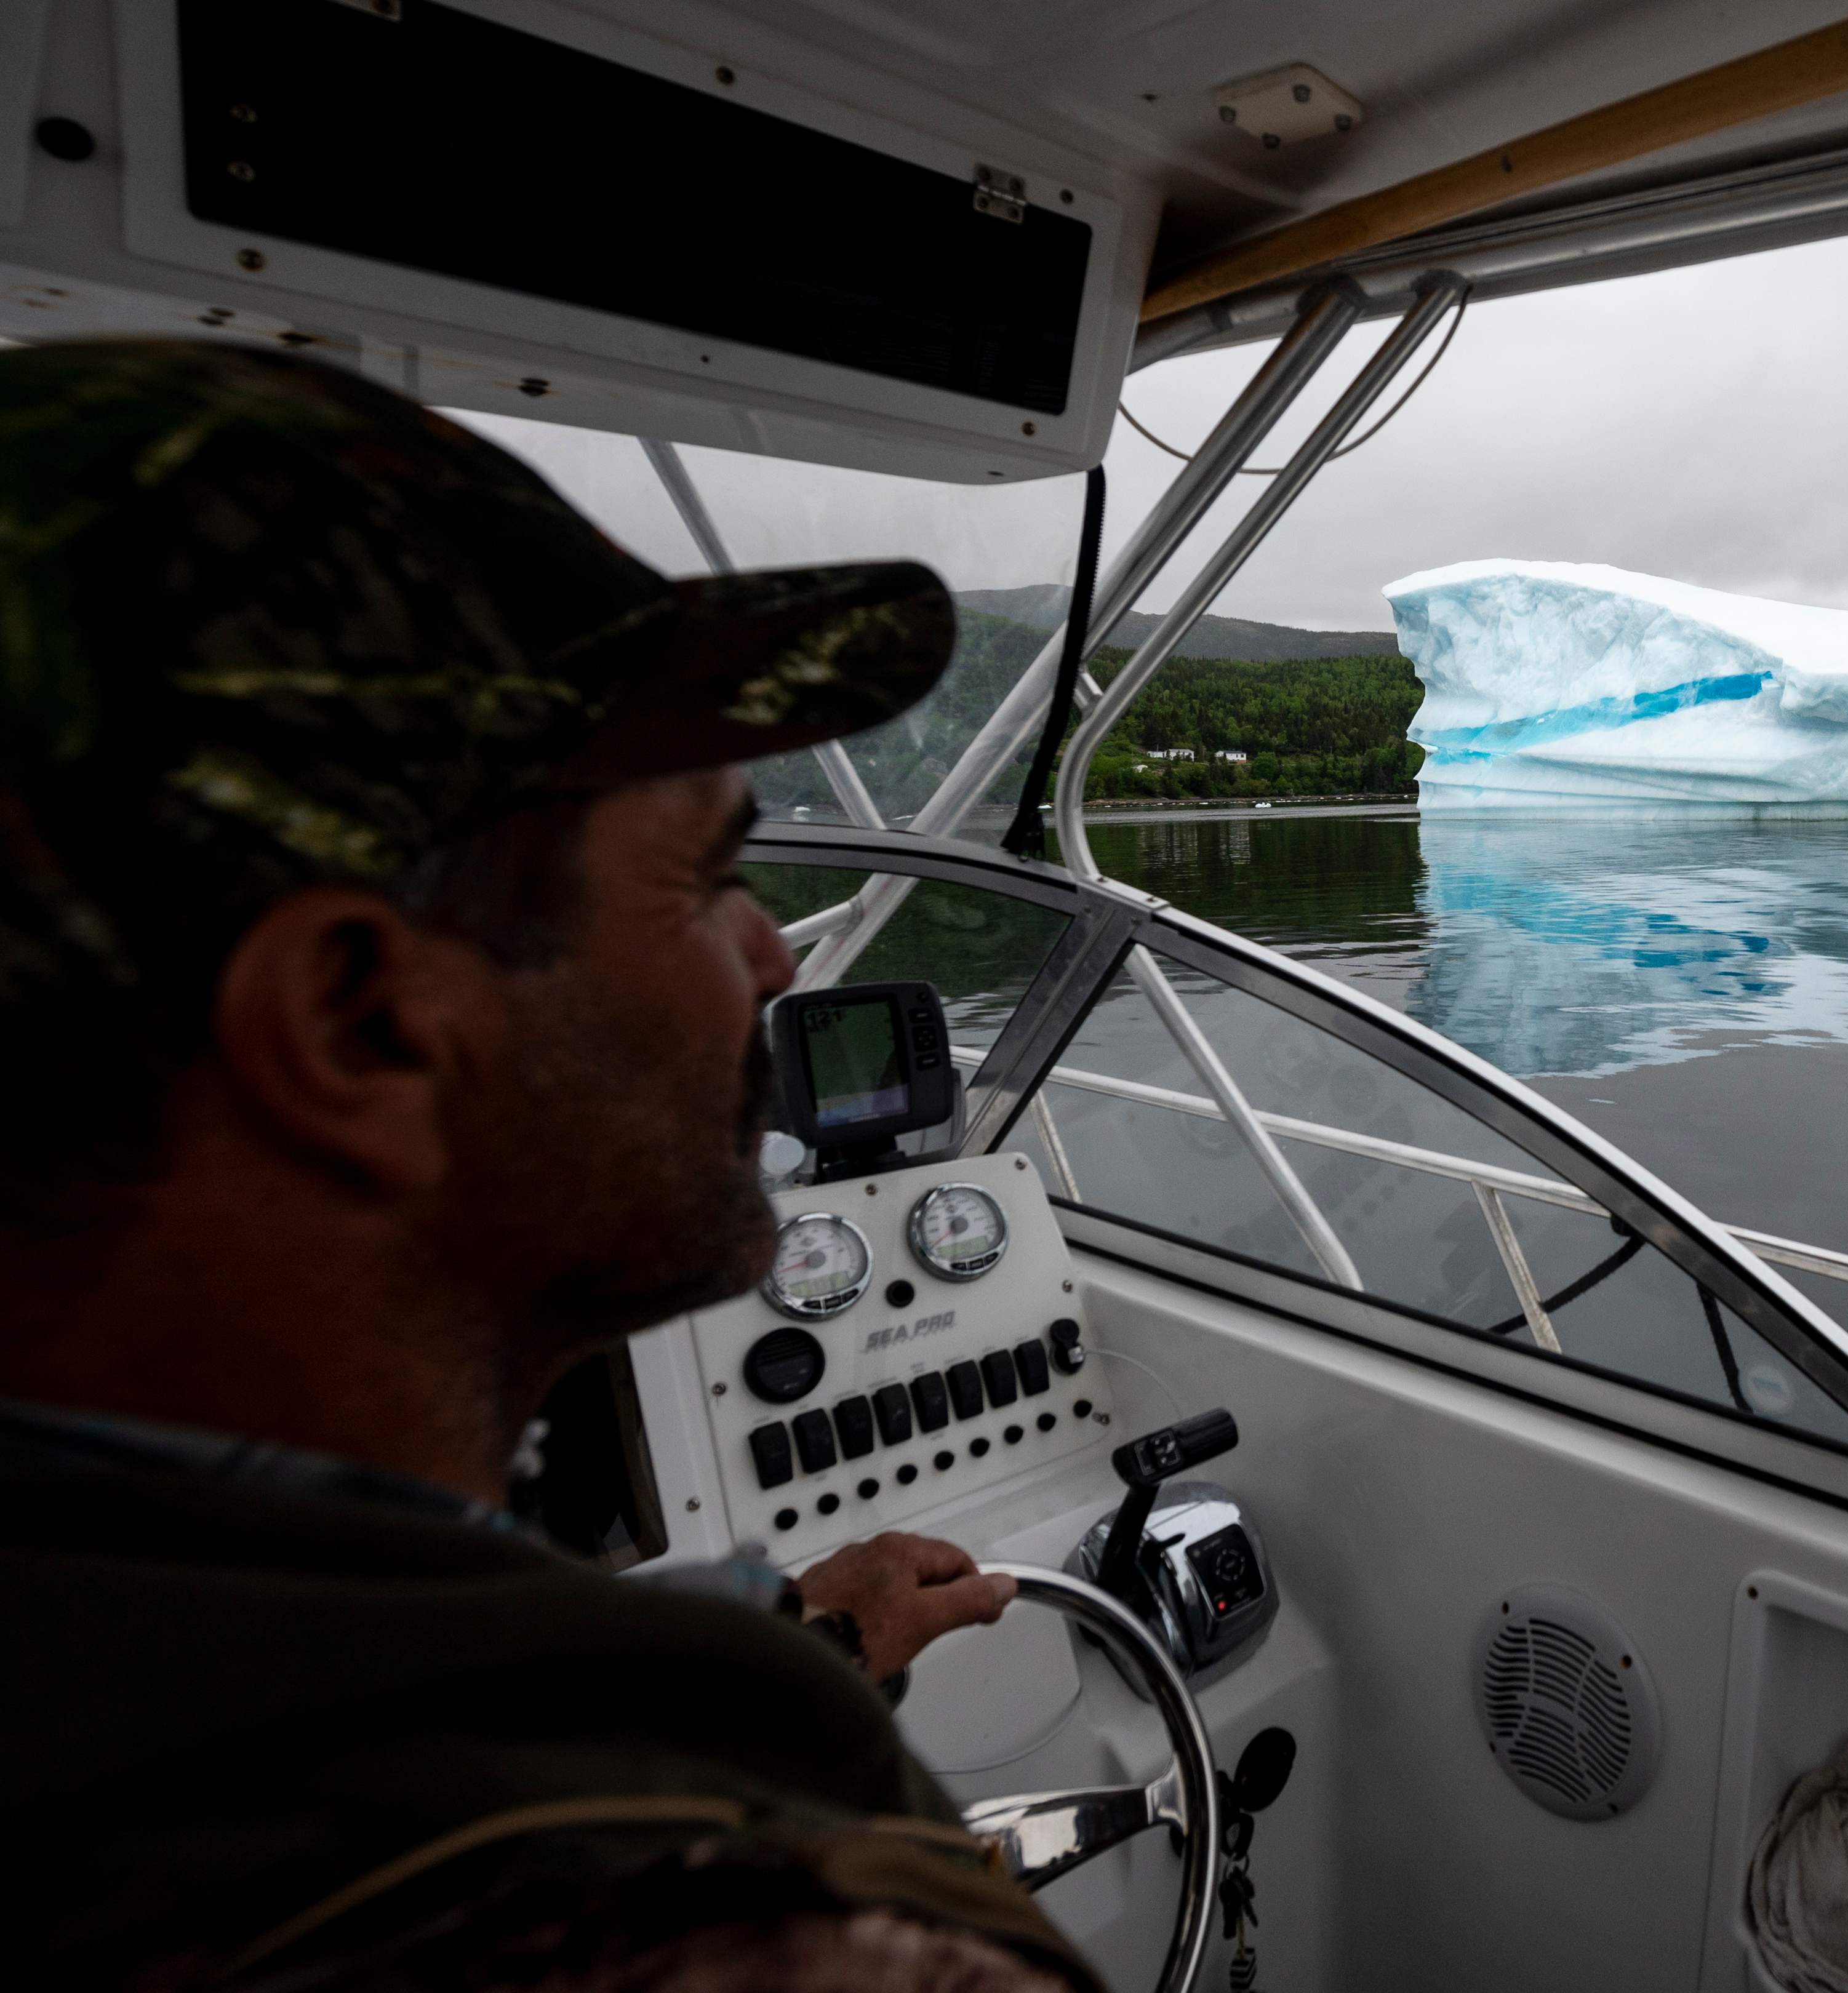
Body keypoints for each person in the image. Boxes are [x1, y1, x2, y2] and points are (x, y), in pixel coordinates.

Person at [0, 341, 1097, 1990]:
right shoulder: (707, 1916)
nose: (772, 959)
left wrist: (796, 1636)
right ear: (365, 1029)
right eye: (706, 882)